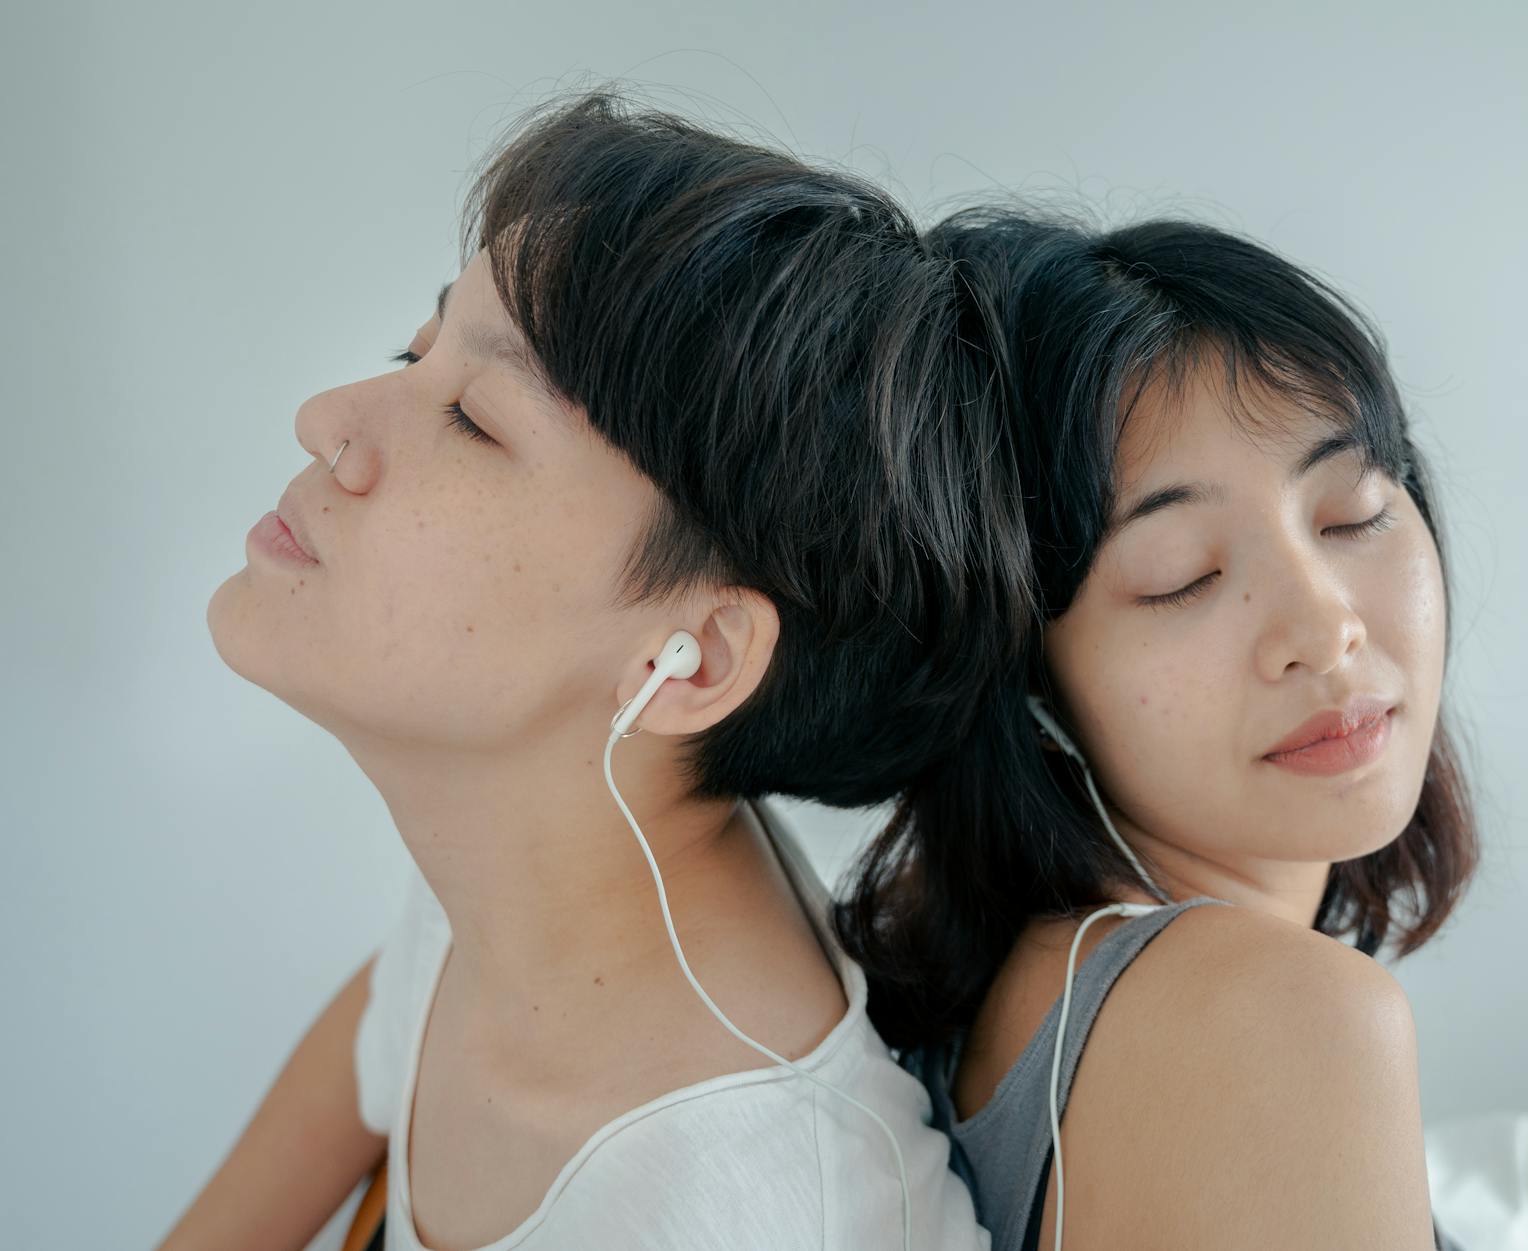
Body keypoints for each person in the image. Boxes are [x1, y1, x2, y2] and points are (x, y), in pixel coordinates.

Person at [164, 88, 1024, 1251]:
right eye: (409, 353)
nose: (326, 418)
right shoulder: (505, 909)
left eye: (474, 415)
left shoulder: (748, 1212)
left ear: (691, 662)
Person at [835, 208, 1481, 1251]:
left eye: (1352, 511)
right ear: (1028, 676)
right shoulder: (1271, 1022)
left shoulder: (1024, 988)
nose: (1322, 627)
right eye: (1182, 575)